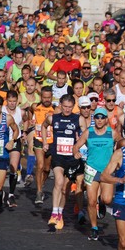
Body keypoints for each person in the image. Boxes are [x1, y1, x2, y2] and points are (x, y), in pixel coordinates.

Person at [73, 107, 122, 240]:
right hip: (91, 169)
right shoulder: (88, 132)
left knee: (107, 199)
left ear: (106, 120)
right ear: (94, 119)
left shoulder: (111, 132)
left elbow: (122, 143)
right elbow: (76, 145)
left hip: (107, 171)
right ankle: (94, 228)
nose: (99, 120)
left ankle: (102, 202)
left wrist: (118, 157)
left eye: (102, 117)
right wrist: (75, 152)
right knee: (91, 201)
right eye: (97, 117)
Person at [41, 94, 84, 230]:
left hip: (71, 158)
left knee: (65, 189)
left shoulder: (79, 119)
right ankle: (53, 213)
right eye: (64, 106)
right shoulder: (53, 118)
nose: (66, 110)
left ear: (73, 106)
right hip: (58, 156)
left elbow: (86, 135)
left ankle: (60, 214)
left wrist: (79, 148)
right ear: (60, 105)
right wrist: (44, 142)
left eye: (70, 107)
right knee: (58, 182)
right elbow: (43, 126)